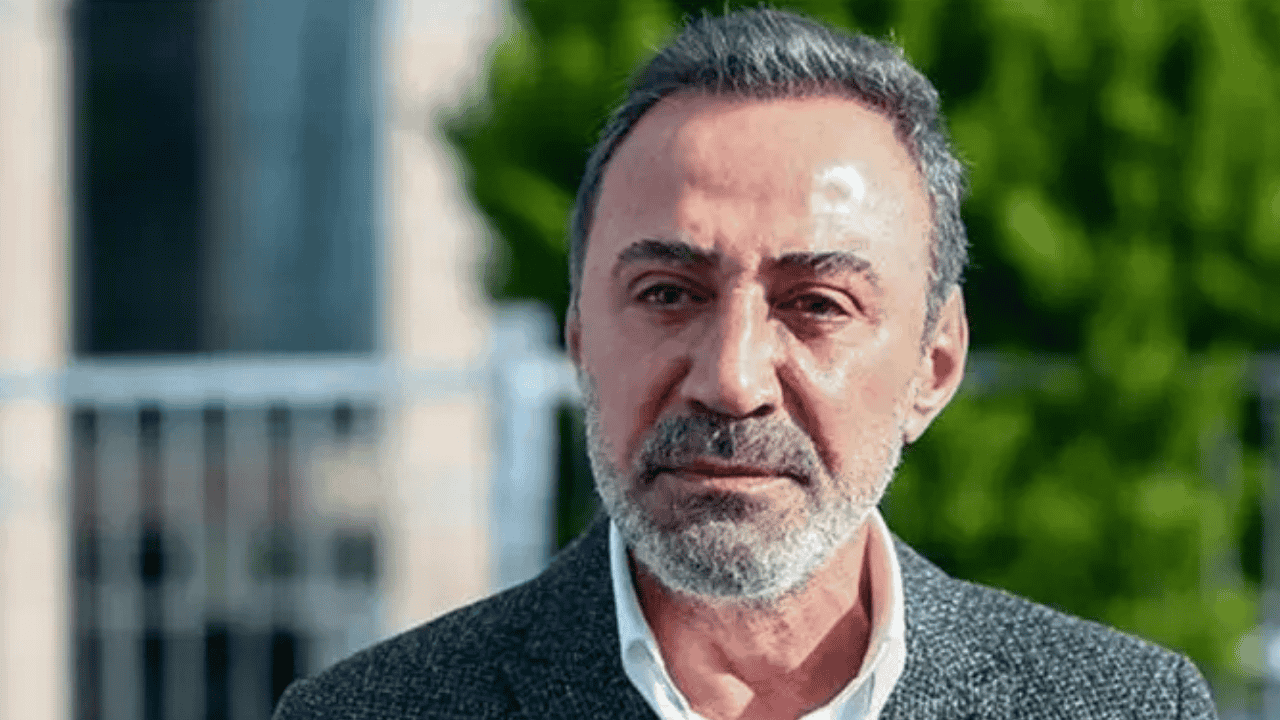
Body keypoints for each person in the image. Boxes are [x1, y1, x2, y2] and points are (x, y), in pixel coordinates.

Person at [274, 8, 1217, 720]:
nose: (732, 379)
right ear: (579, 338)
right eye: (668, 294)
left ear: (934, 365)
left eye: (817, 305)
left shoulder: (1128, 708)